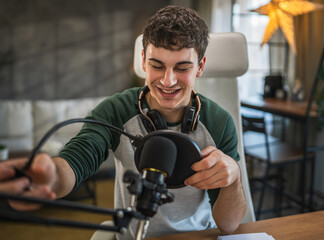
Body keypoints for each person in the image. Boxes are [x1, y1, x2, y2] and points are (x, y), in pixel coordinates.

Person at [2, 5, 246, 239]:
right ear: (143, 61)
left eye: (182, 68)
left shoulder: (219, 122)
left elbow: (229, 224)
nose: (168, 81)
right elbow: (79, 157)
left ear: (200, 66)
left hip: (198, 237)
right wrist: (51, 177)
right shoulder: (116, 110)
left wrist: (233, 178)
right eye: (156, 65)